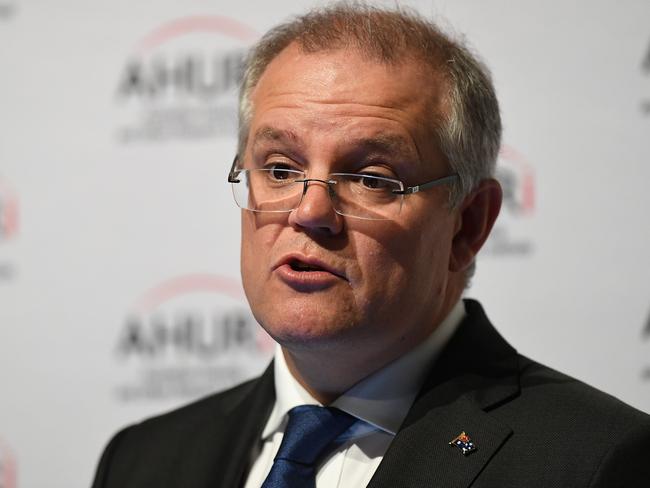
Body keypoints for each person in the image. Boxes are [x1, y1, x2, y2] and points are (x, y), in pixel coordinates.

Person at [91, 4, 650, 487]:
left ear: (469, 224)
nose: (310, 213)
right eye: (281, 169)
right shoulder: (144, 460)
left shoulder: (595, 462)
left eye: (372, 179)